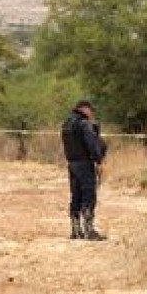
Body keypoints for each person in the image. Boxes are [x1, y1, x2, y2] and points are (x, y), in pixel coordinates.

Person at [60, 100, 107, 241]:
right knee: (88, 195)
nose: (92, 113)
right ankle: (89, 231)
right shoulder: (84, 124)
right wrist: (99, 160)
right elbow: (92, 144)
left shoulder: (67, 124)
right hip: (85, 164)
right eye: (91, 110)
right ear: (84, 109)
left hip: (72, 164)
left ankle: (76, 230)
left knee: (76, 196)